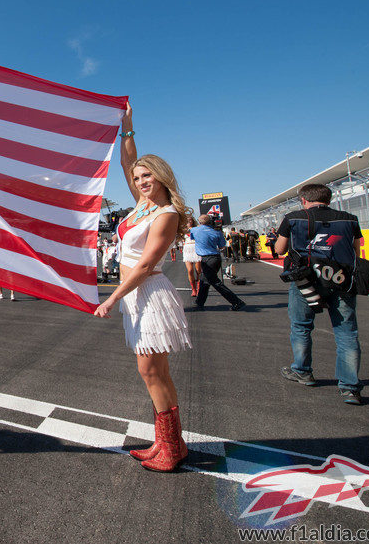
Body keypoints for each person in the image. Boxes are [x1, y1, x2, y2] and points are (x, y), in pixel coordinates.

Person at [93, 102, 192, 473]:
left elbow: (148, 264)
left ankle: (171, 445)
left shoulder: (166, 214)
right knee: (153, 372)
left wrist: (112, 297)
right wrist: (127, 126)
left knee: (152, 371)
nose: (141, 182)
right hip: (136, 297)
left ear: (162, 177)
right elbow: (126, 161)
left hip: (148, 294)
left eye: (147, 176)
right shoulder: (141, 207)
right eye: (137, 178)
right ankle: (169, 442)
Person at [274, 184, 363, 405]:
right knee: (346, 332)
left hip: (306, 280)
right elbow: (356, 249)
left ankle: (303, 371)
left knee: (301, 326)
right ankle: (350, 388)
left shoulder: (293, 217)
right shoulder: (350, 219)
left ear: (304, 200)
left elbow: (279, 249)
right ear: (329, 199)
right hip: (341, 279)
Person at [191, 216, 247, 311]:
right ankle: (199, 303)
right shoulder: (217, 232)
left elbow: (193, 238)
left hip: (207, 258)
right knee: (204, 281)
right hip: (215, 257)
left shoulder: (194, 230)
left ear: (199, 222)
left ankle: (236, 301)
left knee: (215, 282)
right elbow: (222, 246)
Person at [181, 218, 201, 297]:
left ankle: (199, 289)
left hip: (196, 248)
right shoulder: (182, 230)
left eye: (190, 220)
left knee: (198, 270)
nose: (189, 222)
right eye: (187, 221)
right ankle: (193, 289)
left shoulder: (197, 229)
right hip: (187, 250)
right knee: (190, 270)